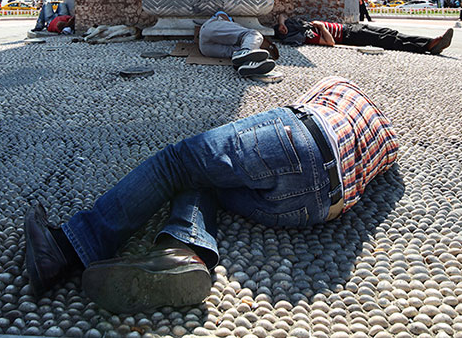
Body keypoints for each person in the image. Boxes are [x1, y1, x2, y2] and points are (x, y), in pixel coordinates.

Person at [22, 76, 399, 313]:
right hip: (316, 208)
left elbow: (287, 117)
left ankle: (68, 247)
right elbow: (386, 167)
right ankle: (180, 252)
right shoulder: (386, 139)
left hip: (304, 136)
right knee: (208, 180)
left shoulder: (338, 86)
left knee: (179, 162)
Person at [276, 14, 453, 55]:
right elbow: (329, 43)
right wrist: (322, 27)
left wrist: (282, 23)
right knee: (389, 41)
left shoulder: (294, 24)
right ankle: (428, 45)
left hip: (350, 28)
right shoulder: (306, 35)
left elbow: (281, 15)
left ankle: (429, 43)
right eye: (283, 30)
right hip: (350, 37)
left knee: (389, 32)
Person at [198, 12, 276, 76]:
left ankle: (247, 65)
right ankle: (246, 53)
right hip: (211, 28)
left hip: (206, 49)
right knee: (254, 34)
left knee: (239, 54)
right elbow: (221, 14)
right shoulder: (226, 21)